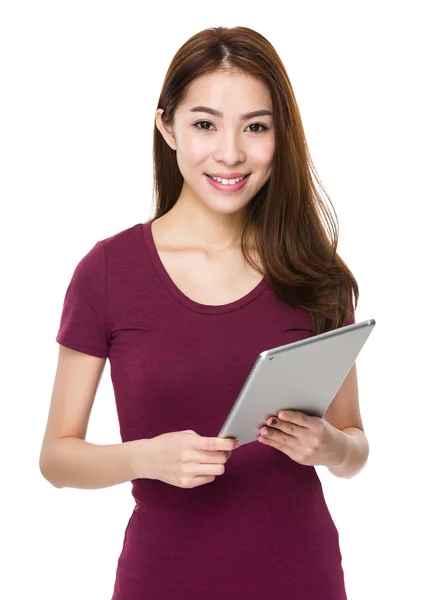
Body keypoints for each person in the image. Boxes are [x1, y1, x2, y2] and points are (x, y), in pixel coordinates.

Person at [39, 25, 370, 600]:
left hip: (302, 577)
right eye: (205, 124)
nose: (231, 153)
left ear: (279, 135)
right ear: (167, 126)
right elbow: (56, 459)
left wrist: (330, 448)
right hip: (162, 579)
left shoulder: (315, 272)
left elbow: (354, 445)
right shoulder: (108, 273)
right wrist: (148, 458)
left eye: (256, 127)